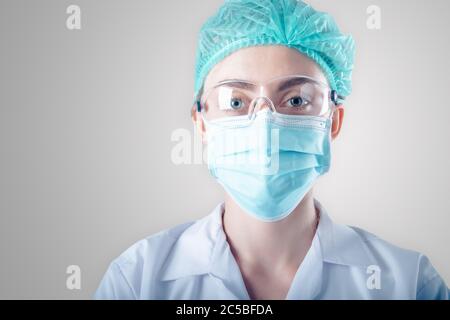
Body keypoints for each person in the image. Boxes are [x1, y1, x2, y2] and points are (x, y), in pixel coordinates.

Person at [93, 0, 449, 299]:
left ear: (333, 121)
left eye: (296, 99)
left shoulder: (407, 284)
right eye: (235, 101)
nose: (265, 125)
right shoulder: (137, 281)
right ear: (201, 123)